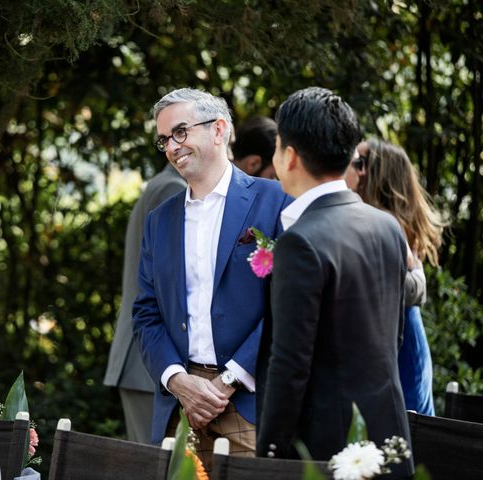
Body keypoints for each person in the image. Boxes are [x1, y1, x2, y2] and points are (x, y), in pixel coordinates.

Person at [255, 87, 414, 478]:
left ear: (288, 156)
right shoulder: (387, 226)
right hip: (388, 437)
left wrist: (268, 455)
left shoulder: (301, 241)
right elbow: (392, 338)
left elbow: (290, 364)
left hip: (327, 449)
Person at [132, 88, 290, 471]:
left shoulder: (276, 200)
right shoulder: (159, 219)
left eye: (181, 132)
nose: (172, 147)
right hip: (180, 406)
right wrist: (178, 381)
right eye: (165, 139)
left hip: (246, 401)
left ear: (219, 130)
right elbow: (146, 312)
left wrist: (227, 382)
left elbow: (286, 306)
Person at [353, 138, 445, 415]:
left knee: (409, 428)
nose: (353, 166)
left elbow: (408, 287)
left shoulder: (387, 221)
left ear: (377, 173)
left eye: (360, 161)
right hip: (396, 334)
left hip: (402, 339)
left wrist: (417, 275)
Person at [103, 164, 186, 443]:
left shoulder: (162, 183)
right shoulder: (173, 189)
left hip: (142, 362)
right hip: (149, 364)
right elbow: (169, 284)